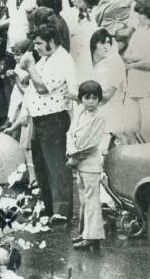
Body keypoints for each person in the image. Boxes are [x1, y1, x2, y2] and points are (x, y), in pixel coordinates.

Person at [19, 23, 78, 223]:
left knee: (56, 165)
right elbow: (31, 86)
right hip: (39, 117)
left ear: (51, 41)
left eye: (39, 43)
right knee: (41, 164)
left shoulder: (62, 59)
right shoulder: (46, 58)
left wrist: (30, 66)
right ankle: (48, 205)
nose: (35, 47)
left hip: (54, 118)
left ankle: (62, 209)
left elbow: (43, 87)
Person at [67, 80, 107, 250]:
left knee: (92, 200)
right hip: (77, 162)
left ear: (99, 99)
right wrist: (70, 151)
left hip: (89, 162)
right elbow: (70, 134)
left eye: (94, 98)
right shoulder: (80, 113)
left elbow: (92, 143)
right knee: (83, 200)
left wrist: (76, 158)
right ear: (81, 99)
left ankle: (92, 237)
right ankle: (84, 232)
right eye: (87, 97)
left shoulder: (99, 117)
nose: (91, 101)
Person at [121, 0, 150, 138]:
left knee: (149, 131)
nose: (139, 17)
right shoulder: (139, 31)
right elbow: (126, 55)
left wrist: (131, 64)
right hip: (133, 85)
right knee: (129, 129)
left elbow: (149, 64)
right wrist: (140, 58)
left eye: (142, 13)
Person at [88, 28, 126, 141]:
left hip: (112, 116)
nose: (106, 46)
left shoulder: (115, 63)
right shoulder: (90, 65)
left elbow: (106, 96)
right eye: (102, 43)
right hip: (94, 117)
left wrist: (76, 96)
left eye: (108, 43)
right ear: (94, 44)